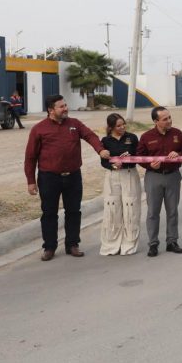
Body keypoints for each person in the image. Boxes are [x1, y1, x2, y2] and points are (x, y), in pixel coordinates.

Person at [24, 94, 110, 261]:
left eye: (65, 105)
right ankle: (49, 247)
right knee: (49, 213)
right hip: (49, 177)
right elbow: (30, 157)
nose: (65, 108)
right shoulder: (39, 129)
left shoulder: (74, 124)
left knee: (73, 211)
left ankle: (72, 244)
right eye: (61, 106)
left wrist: (100, 149)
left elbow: (90, 135)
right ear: (51, 110)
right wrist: (30, 181)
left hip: (73, 176)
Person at [138, 106, 182, 257]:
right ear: (156, 121)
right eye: (165, 119)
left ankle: (172, 241)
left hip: (173, 176)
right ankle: (153, 243)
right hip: (154, 177)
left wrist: (178, 153)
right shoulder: (146, 136)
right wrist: (149, 164)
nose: (169, 121)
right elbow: (139, 157)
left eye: (169, 117)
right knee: (153, 212)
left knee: (172, 211)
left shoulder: (177, 133)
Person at [99, 113, 142, 256]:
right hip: (112, 176)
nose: (122, 127)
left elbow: (139, 156)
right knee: (113, 209)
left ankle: (129, 244)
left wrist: (130, 159)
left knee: (131, 208)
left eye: (123, 124)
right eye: (118, 125)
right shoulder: (105, 140)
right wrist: (113, 166)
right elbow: (104, 161)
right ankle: (111, 245)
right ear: (111, 127)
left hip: (129, 174)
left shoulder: (132, 138)